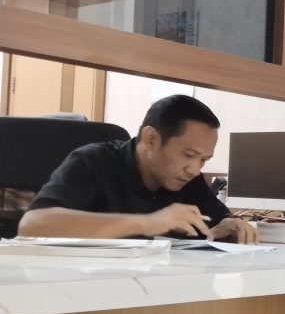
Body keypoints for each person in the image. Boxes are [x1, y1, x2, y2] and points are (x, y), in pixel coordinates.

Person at [19, 94, 259, 244]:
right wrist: (148, 223)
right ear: (151, 139)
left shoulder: (188, 178)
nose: (195, 170)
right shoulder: (93, 161)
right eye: (188, 155)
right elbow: (31, 225)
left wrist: (229, 225)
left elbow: (219, 220)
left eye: (203, 160)